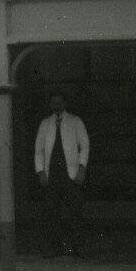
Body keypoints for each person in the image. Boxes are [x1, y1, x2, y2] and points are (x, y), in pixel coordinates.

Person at [34, 91, 90, 258]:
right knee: (51, 212)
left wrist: (82, 169)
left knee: (75, 211)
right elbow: (39, 150)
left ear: (65, 104)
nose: (57, 106)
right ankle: (55, 247)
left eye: (59, 103)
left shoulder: (75, 121)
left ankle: (77, 247)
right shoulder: (45, 124)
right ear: (50, 105)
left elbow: (85, 146)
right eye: (54, 103)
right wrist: (40, 172)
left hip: (70, 174)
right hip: (52, 175)